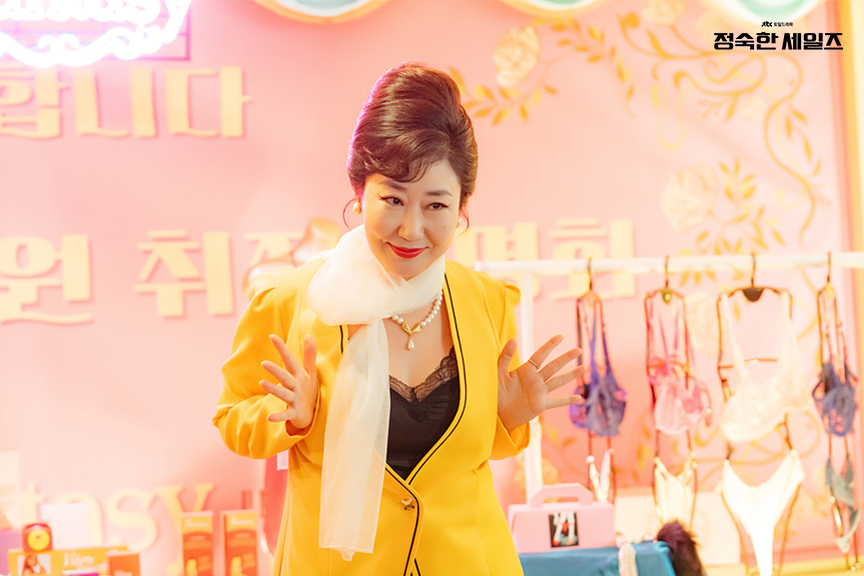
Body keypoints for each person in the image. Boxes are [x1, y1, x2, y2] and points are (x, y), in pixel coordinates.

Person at [214, 62, 583, 576]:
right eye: (392, 199)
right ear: (359, 192)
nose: (411, 229)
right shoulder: (290, 300)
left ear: (462, 208)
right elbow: (232, 416)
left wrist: (507, 420)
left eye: (436, 205)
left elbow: (469, 452)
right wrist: (291, 417)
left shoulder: (487, 302)